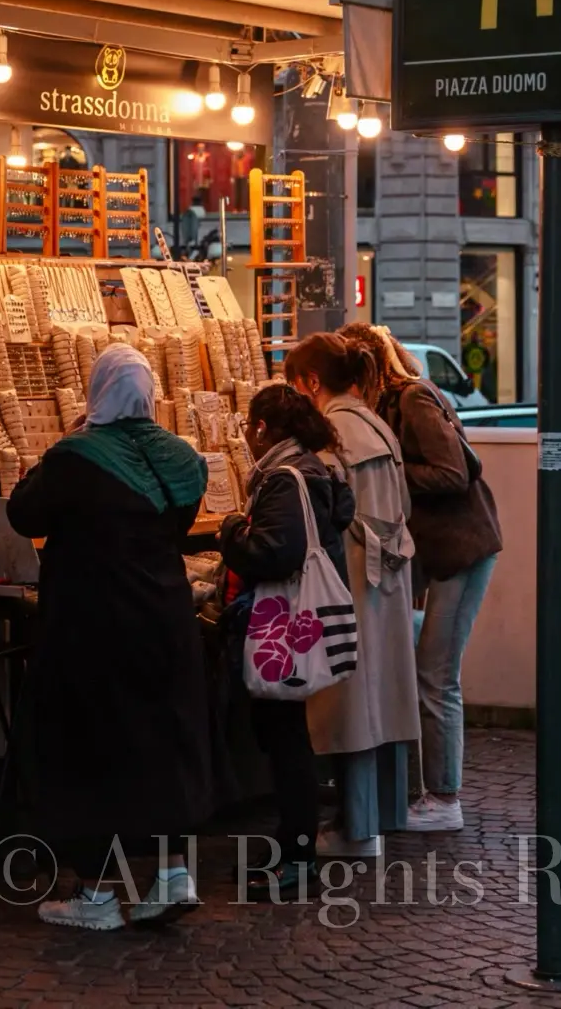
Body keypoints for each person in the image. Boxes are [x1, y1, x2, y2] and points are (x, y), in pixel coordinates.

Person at [8, 344, 212, 930]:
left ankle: (95, 894)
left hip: (91, 622)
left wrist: (59, 451)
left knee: (91, 746)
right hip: (165, 617)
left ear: (97, 391)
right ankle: (173, 873)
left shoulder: (74, 457)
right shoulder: (183, 459)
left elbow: (25, 514)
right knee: (162, 743)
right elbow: (176, 524)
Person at [346, 326, 503, 834]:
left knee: (436, 674)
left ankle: (444, 796)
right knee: (429, 670)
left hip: (460, 548)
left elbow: (451, 472)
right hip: (440, 551)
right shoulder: (401, 398)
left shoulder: (412, 398)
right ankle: (430, 788)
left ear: (368, 369)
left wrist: (389, 472)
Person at [281, 332, 419, 858]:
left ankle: (356, 830)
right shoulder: (376, 423)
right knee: (381, 699)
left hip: (353, 581)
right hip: (387, 578)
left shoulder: (332, 432)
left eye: (295, 385)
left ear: (311, 382)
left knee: (353, 706)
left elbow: (325, 514)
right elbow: (402, 502)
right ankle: (380, 819)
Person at [218, 383, 354, 899]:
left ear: (264, 428)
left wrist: (231, 530)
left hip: (283, 624)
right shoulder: (317, 468)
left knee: (285, 739)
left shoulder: (284, 477)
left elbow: (274, 552)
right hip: (300, 624)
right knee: (287, 736)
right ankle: (291, 845)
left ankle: (297, 855)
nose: (249, 438)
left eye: (252, 427)